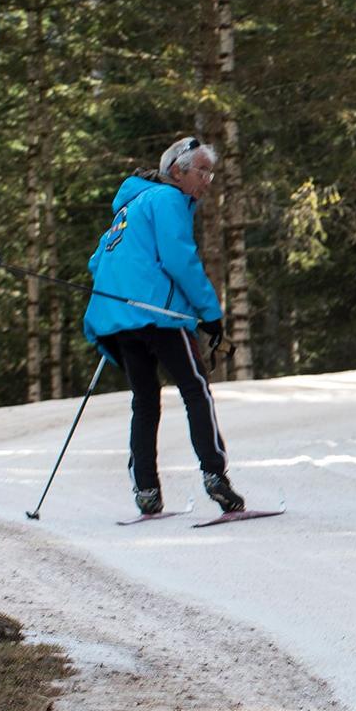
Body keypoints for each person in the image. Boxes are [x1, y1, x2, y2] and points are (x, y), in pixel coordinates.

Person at [82, 136, 242, 516]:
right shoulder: (168, 200)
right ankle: (215, 476)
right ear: (176, 171)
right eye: (202, 171)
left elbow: (96, 260)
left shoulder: (129, 207)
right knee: (195, 389)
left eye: (211, 173)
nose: (207, 181)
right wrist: (210, 313)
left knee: (145, 399)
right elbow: (179, 259)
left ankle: (146, 490)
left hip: (117, 318)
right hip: (159, 316)